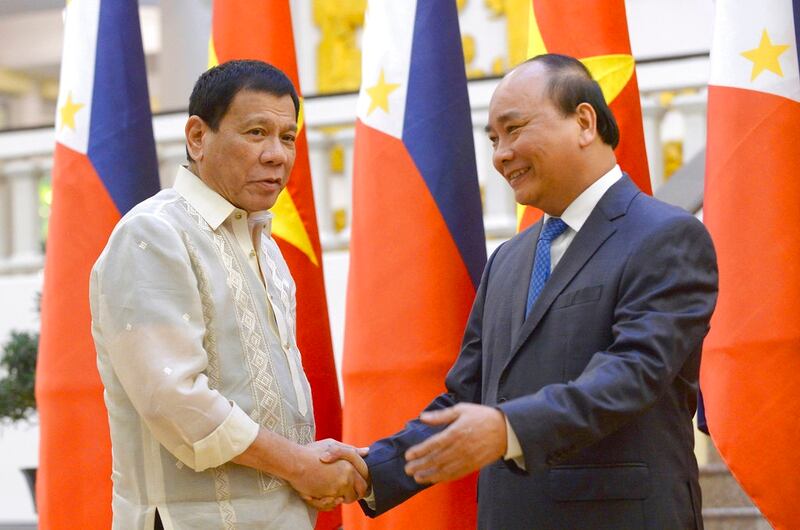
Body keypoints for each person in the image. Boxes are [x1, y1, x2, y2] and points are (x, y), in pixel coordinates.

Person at [335, 54, 718, 529]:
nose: (499, 155)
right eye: (493, 139)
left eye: (514, 130)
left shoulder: (666, 237)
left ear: (582, 122)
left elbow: (632, 373)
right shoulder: (508, 261)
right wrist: (369, 471)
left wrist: (507, 429)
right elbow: (466, 396)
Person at [90, 60, 367, 530]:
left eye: (287, 137)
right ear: (198, 137)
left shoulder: (268, 248)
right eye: (257, 132)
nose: (277, 155)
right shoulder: (153, 234)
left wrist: (307, 463)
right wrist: (300, 465)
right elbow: (175, 400)